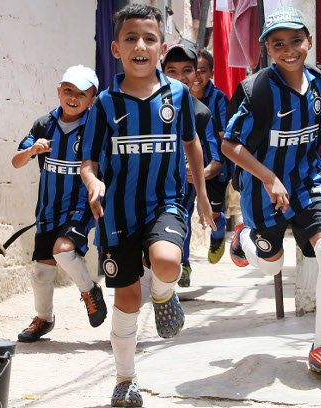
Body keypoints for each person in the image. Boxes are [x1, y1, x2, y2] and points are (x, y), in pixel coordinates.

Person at [221, 6, 321, 376]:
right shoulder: (256, 90)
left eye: (295, 41)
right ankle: (245, 238)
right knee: (271, 265)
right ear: (267, 49)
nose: (289, 49)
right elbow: (229, 144)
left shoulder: (317, 81)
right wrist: (270, 178)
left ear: (308, 41)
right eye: (278, 43)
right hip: (264, 192)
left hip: (308, 184)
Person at [79, 4, 214, 406]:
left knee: (168, 262)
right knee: (126, 300)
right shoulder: (104, 104)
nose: (141, 45)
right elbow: (88, 161)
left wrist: (203, 195)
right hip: (117, 213)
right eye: (131, 38)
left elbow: (191, 142)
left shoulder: (177, 96)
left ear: (161, 46)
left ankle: (164, 294)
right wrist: (93, 181)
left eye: (149, 38)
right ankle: (125, 379)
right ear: (116, 48)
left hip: (166, 202)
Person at [11, 65, 108, 343]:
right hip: (48, 209)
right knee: (42, 270)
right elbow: (16, 161)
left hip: (80, 207)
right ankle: (44, 319)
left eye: (82, 93)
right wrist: (32, 150)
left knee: (63, 251)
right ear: (59, 91)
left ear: (92, 99)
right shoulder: (44, 125)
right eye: (68, 90)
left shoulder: (95, 127)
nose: (73, 97)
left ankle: (89, 289)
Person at [161, 39, 222, 287]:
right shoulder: (146, 105)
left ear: (196, 74)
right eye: (171, 70)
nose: (179, 77)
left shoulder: (201, 113)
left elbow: (216, 159)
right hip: (147, 185)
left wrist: (200, 179)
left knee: (179, 222)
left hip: (184, 187)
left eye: (186, 70)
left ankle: (181, 264)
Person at [191, 48, 232, 263]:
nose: (198, 76)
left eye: (203, 71)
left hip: (215, 164)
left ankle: (218, 233)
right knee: (183, 211)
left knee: (213, 213)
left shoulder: (218, 99)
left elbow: (226, 133)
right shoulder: (180, 96)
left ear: (212, 73)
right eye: (193, 70)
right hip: (186, 164)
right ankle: (184, 262)